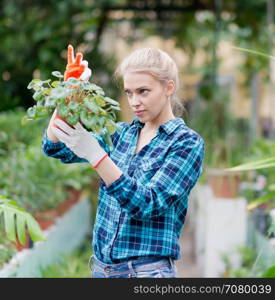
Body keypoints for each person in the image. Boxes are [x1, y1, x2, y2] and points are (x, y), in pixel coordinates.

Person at [42, 46, 205, 278]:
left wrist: (98, 157)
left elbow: (148, 203)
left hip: (147, 273)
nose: (134, 101)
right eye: (129, 92)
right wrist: (67, 95)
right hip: (101, 270)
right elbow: (55, 146)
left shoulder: (186, 143)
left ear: (169, 87)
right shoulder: (120, 134)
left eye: (143, 91)